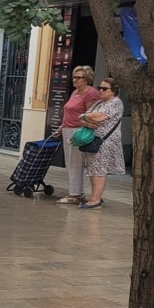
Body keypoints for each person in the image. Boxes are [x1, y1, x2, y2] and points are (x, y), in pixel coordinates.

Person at [77, 77, 125, 210]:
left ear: (113, 91)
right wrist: (87, 120)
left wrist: (86, 117)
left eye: (104, 89)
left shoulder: (116, 102)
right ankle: (95, 196)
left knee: (99, 170)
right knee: (93, 169)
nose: (101, 91)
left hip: (105, 142)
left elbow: (97, 117)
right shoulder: (98, 103)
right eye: (99, 88)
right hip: (94, 140)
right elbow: (81, 118)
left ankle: (95, 200)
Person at [57, 65, 99, 204]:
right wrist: (62, 126)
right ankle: (76, 191)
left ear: (87, 79)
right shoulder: (75, 92)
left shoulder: (91, 93)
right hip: (67, 129)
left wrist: (85, 127)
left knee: (75, 162)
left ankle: (74, 194)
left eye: (78, 77)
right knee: (70, 162)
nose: (75, 80)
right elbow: (69, 111)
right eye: (74, 77)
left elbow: (89, 114)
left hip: (78, 131)